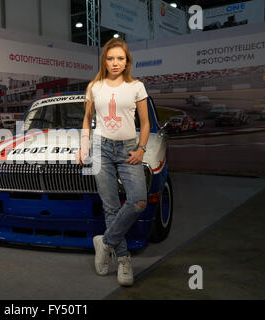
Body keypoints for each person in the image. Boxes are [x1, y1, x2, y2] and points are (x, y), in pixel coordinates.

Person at [76, 38, 150, 286]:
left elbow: (145, 123)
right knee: (110, 208)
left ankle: (104, 241)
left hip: (129, 149)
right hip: (101, 149)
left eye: (120, 58)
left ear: (127, 60)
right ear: (104, 61)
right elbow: (87, 120)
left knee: (138, 201)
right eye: (110, 58)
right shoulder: (94, 86)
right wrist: (84, 147)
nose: (115, 63)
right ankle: (124, 259)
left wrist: (141, 148)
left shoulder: (137, 86)